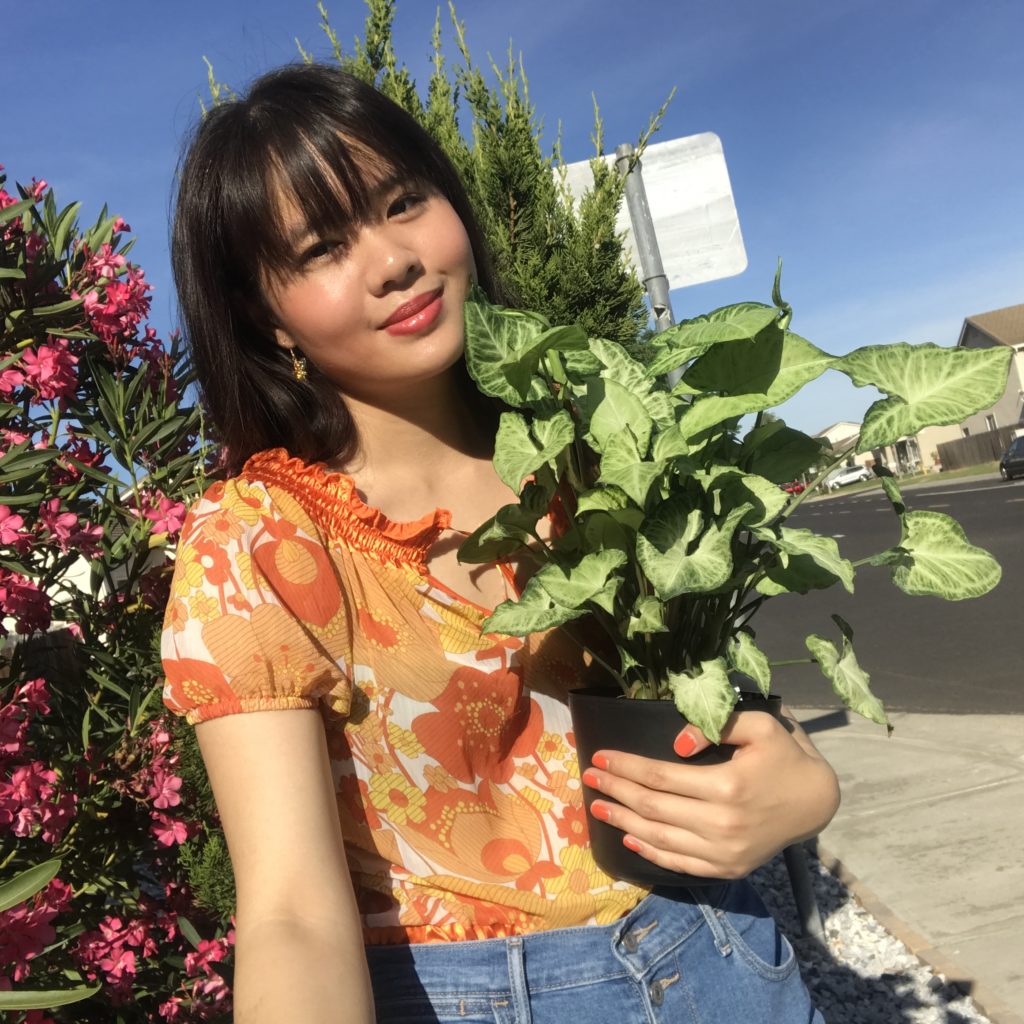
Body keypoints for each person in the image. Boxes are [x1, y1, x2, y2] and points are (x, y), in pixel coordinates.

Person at [163, 62, 839, 1023]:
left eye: (405, 201)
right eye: (320, 249)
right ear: (266, 322)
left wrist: (802, 785)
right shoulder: (263, 541)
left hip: (723, 952)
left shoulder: (598, 449)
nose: (393, 259)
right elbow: (291, 917)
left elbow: (717, 709)